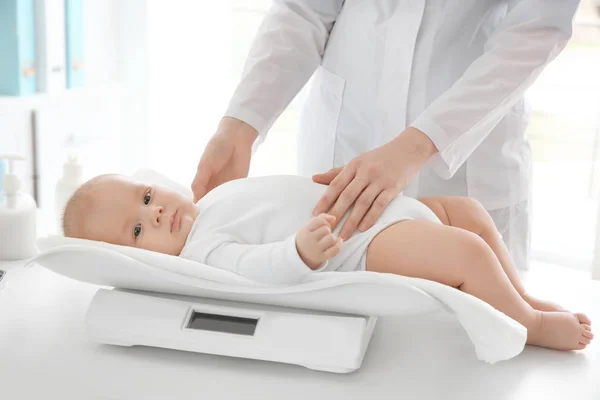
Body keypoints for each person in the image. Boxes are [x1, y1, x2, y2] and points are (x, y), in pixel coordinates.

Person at [191, 0, 581, 272]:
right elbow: (304, 8)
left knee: (472, 347)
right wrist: (240, 124)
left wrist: (418, 143)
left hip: (464, 159)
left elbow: (537, 27)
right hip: (343, 147)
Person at [62, 173, 594, 352]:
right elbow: (254, 265)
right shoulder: (203, 251)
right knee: (467, 252)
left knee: (470, 212)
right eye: (136, 229)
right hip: (362, 243)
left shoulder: (212, 203)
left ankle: (519, 297)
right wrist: (299, 252)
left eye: (147, 195)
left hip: (374, 208)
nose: (155, 213)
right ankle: (533, 326)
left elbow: (279, 195)